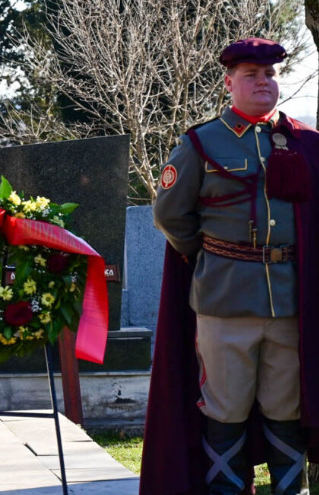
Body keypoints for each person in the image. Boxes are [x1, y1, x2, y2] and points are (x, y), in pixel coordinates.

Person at [143, 38, 318, 494]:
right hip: (224, 300)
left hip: (290, 301)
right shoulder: (201, 142)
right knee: (225, 408)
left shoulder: (306, 142)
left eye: (270, 75)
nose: (263, 83)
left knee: (287, 406)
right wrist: (212, 257)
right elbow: (170, 215)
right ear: (229, 83)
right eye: (250, 75)